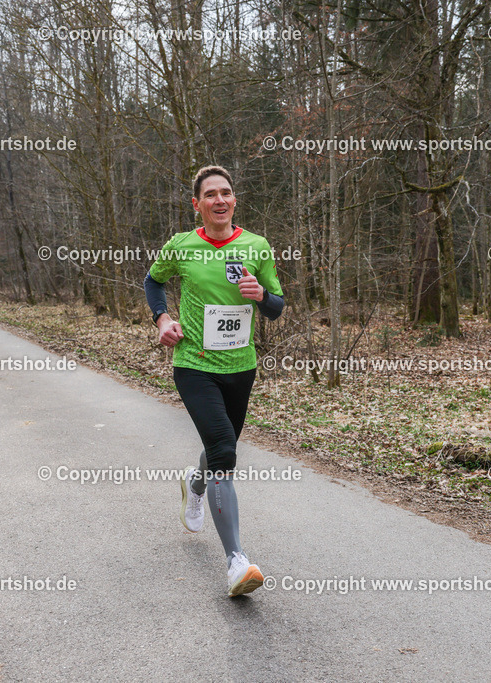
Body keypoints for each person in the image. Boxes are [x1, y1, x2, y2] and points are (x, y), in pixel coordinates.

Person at [145, 166, 284, 597]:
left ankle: (195, 483)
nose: (219, 200)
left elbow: (277, 306)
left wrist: (262, 296)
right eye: (211, 195)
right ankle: (236, 562)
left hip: (241, 366)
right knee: (224, 448)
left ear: (234, 200)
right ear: (197, 204)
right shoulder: (182, 246)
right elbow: (153, 281)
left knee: (220, 448)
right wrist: (163, 318)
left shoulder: (256, 246)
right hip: (194, 363)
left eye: (226, 193)